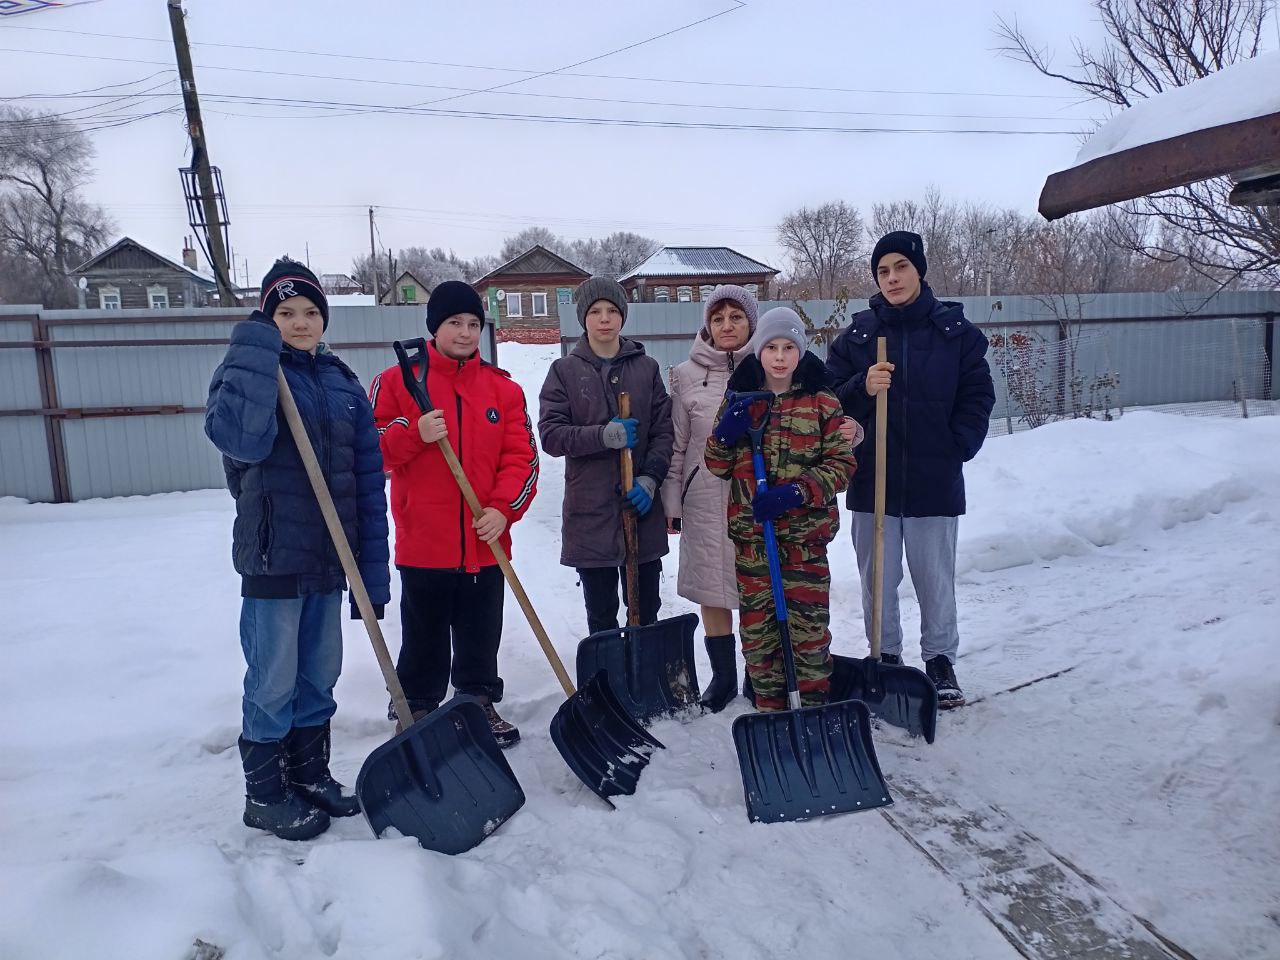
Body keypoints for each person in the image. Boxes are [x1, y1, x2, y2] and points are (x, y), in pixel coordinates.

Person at [205, 258, 390, 841]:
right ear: (267, 317)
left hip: (329, 558)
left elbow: (366, 478)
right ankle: (264, 794)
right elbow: (238, 437)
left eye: (311, 312)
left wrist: (370, 576)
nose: (301, 322)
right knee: (272, 679)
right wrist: (255, 350)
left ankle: (310, 773)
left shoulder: (340, 381)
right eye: (285, 313)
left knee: (319, 674)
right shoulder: (248, 371)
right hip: (274, 554)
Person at [825, 231, 995, 708]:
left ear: (919, 270)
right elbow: (826, 400)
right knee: (877, 580)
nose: (893, 277)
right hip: (871, 479)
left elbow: (978, 396)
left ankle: (940, 661)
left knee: (934, 577)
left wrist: (956, 446)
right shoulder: (858, 337)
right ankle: (886, 658)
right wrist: (862, 385)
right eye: (883, 270)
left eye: (901, 267)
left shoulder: (955, 334)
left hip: (933, 479)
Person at [369, 280, 539, 747]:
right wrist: (413, 432)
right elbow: (369, 451)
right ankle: (416, 704)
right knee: (422, 632)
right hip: (425, 538)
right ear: (434, 328)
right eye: (454, 323)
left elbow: (522, 457)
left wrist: (504, 511)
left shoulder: (502, 390)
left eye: (473, 324)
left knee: (480, 630)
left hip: (485, 540)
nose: (465, 333)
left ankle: (477, 699)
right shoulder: (397, 380)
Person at [704, 308, 855, 711]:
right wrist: (723, 435)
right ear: (759, 351)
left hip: (805, 546)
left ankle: (813, 714)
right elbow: (716, 465)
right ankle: (770, 715)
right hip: (754, 548)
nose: (780, 356)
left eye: (789, 347)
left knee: (808, 638)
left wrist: (796, 493)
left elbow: (842, 466)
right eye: (771, 347)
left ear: (800, 352)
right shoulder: (740, 399)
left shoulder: (822, 401)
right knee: (759, 641)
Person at [538, 276, 674, 635]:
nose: (604, 319)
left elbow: (664, 432)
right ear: (583, 317)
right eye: (595, 311)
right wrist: (602, 435)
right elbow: (551, 436)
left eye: (612, 310)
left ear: (622, 317)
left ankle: (644, 681)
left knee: (646, 611)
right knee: (601, 616)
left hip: (641, 512)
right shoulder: (564, 372)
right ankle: (608, 684)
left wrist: (650, 478)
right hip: (591, 514)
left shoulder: (647, 369)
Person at [661, 285, 758, 711]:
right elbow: (677, 445)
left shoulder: (772, 364)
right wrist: (672, 503)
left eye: (736, 317)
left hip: (757, 497)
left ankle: (760, 671)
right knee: (711, 587)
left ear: (751, 322)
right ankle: (723, 677)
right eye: (718, 318)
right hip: (702, 496)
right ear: (707, 325)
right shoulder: (684, 376)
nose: (726, 326)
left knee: (758, 586)